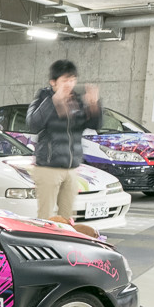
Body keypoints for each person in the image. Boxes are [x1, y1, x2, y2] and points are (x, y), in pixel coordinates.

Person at [26, 60, 102, 221]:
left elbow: (94, 126)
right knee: (46, 217)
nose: (69, 84)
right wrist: (53, 101)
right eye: (65, 80)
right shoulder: (43, 98)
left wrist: (94, 106)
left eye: (72, 79)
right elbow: (33, 125)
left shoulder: (77, 101)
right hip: (48, 168)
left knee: (67, 217)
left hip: (71, 167)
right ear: (53, 82)